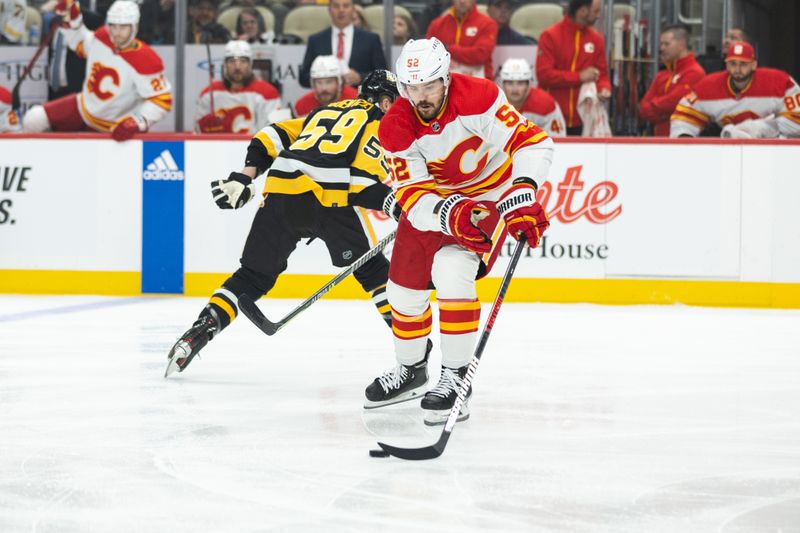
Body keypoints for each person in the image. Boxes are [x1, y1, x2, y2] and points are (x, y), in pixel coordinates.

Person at [165, 70, 405, 377]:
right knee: (373, 271)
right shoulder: (380, 124)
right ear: (385, 103)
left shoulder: (325, 111)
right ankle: (412, 349)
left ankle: (199, 331)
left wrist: (244, 176)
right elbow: (359, 182)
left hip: (280, 194)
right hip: (329, 200)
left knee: (251, 277)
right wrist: (392, 203)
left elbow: (270, 135)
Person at [365, 38, 553, 425]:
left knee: (451, 272)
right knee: (401, 292)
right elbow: (413, 194)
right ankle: (411, 370)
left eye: (430, 85)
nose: (422, 96)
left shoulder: (479, 96)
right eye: (413, 88)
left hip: (488, 194)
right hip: (435, 206)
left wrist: (522, 191)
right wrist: (448, 212)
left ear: (446, 78)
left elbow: (532, 142)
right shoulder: (395, 125)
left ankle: (454, 377)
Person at [22, 0, 173, 141]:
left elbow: (161, 100)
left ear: (134, 27)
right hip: (83, 107)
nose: (116, 32)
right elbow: (80, 44)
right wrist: (72, 19)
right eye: (113, 26)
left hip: (113, 125)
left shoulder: (147, 59)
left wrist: (138, 121)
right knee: (33, 119)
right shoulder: (102, 37)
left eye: (123, 27)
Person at [670, 41, 800, 138]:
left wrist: (761, 128)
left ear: (754, 64)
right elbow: (684, 117)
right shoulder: (707, 87)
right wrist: (684, 139)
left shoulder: (780, 82)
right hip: (725, 151)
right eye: (733, 64)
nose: (737, 70)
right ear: (726, 64)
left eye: (743, 64)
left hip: (769, 151)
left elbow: (797, 121)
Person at [536, 0, 611, 136]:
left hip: (583, 119)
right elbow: (544, 75)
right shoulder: (550, 36)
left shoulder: (596, 39)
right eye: (596, 11)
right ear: (582, 10)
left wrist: (604, 89)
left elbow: (602, 74)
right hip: (552, 117)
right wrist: (579, 77)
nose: (598, 15)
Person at [195, 40, 281, 134]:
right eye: (232, 61)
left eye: (243, 61)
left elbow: (272, 133)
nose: (237, 67)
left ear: (250, 64)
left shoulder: (267, 93)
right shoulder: (209, 93)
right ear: (224, 65)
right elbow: (197, 133)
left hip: (253, 148)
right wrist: (204, 126)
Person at [299, 0, 386, 88]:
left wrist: (360, 77)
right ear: (329, 10)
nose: (341, 10)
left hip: (360, 99)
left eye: (346, 6)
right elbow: (303, 77)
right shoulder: (316, 40)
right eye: (336, 6)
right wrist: (324, 77)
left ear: (353, 9)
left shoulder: (370, 39)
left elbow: (383, 75)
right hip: (326, 99)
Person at [638, 25, 705, 137]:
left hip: (682, 140)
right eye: (661, 44)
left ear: (682, 45)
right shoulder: (662, 74)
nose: (662, 48)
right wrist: (664, 113)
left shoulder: (695, 72)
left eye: (667, 44)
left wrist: (655, 107)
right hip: (659, 139)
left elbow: (675, 103)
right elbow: (643, 109)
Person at [426, 0, 497, 79]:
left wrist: (447, 48)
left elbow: (480, 55)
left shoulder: (488, 24)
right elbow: (429, 56)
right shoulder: (437, 25)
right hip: (446, 85)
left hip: (480, 84)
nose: (462, 1)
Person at [500, 58, 565, 137]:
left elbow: (557, 140)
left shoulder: (546, 104)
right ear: (503, 85)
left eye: (520, 83)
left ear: (528, 85)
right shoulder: (494, 104)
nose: (515, 89)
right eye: (510, 83)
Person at [294, 55, 358, 118]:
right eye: (319, 82)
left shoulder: (356, 101)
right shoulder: (302, 105)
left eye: (329, 82)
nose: (324, 88)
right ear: (313, 84)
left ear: (339, 83)